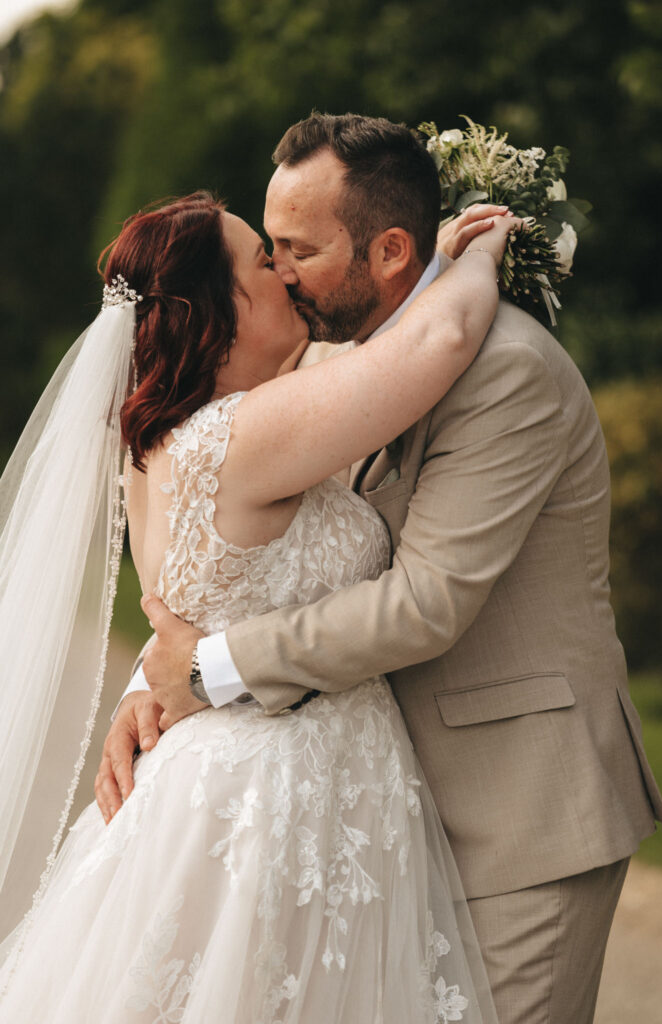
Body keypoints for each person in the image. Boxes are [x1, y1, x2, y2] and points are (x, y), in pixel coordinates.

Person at [105, 114, 662, 1024]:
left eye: (298, 248)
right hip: (381, 825)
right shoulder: (340, 367)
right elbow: (235, 562)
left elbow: (423, 606)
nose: (283, 271)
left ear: (391, 249)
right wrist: (152, 681)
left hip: (518, 816)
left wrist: (205, 671)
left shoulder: (507, 374)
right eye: (269, 250)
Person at [0, 189, 515, 1020]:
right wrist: (473, 257)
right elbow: (445, 338)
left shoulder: (171, 437)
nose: (282, 270)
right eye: (259, 260)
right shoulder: (237, 437)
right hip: (271, 807)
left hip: (232, 781)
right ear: (221, 312)